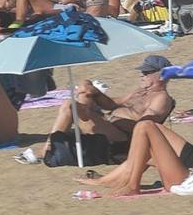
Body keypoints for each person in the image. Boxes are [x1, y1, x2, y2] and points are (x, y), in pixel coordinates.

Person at [42, 51, 175, 164]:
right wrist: (95, 93)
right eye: (142, 71)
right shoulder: (140, 91)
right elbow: (112, 104)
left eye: (147, 72)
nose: (142, 75)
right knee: (85, 85)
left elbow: (144, 127)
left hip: (122, 137)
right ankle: (84, 111)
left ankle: (49, 145)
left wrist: (114, 120)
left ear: (163, 75)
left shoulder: (161, 98)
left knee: (69, 105)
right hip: (108, 124)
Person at [79, 121, 193, 195]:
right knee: (145, 129)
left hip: (187, 175)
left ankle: (131, 184)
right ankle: (110, 180)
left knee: (146, 127)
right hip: (192, 169)